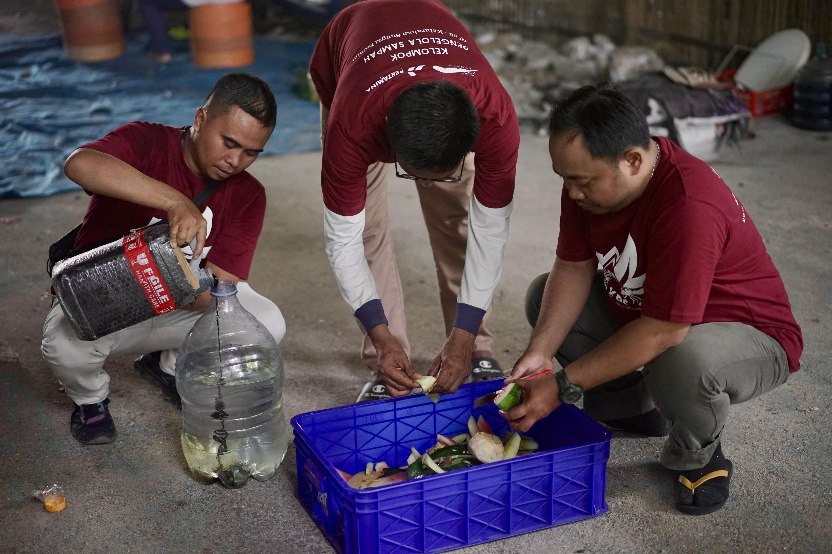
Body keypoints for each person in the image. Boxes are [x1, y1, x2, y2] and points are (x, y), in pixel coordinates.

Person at [503, 83, 802, 516]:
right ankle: (630, 409)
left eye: (581, 181)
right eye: (564, 179)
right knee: (542, 298)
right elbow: (572, 267)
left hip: (748, 334)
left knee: (680, 359)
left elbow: (666, 331)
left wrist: (562, 386)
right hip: (658, 315)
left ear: (633, 161)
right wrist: (540, 353)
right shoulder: (588, 192)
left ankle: (700, 454)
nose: (571, 194)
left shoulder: (688, 203)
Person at [41, 73, 286, 445]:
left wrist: (178, 281)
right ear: (201, 119)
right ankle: (90, 400)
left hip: (176, 303)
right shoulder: (148, 142)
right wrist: (175, 201)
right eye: (229, 142)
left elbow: (222, 288)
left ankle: (167, 364)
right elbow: (80, 164)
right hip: (103, 301)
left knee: (266, 322)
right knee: (62, 344)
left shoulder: (249, 194)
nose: (236, 160)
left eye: (252, 152)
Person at [308, 0, 520, 401]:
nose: (423, 184)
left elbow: (489, 232)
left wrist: (464, 333)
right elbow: (343, 242)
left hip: (429, 35)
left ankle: (476, 350)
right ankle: (386, 358)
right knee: (366, 227)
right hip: (350, 60)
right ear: (389, 142)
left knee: (458, 217)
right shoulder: (351, 127)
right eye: (413, 173)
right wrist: (380, 332)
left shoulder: (496, 117)